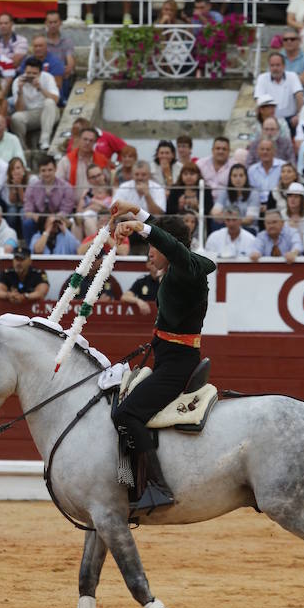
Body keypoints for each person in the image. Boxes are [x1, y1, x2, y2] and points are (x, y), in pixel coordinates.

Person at [110, 199, 216, 511]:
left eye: (152, 245)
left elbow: (171, 243)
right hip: (169, 359)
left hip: (177, 367)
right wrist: (136, 212)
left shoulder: (186, 271)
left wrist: (140, 226)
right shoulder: (179, 266)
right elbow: (169, 236)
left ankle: (156, 486)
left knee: (125, 414)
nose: (149, 251)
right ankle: (129, 482)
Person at [10, 57, 60, 151]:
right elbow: (19, 109)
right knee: (16, 118)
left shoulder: (47, 77)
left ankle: (44, 141)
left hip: (49, 112)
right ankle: (22, 147)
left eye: (34, 74)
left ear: (40, 73)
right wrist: (20, 91)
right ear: (25, 71)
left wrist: (40, 88)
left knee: (49, 102)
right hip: (30, 114)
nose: (31, 76)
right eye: (28, 73)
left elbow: (56, 100)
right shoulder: (17, 81)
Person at [56, 124, 110, 203]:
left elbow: (108, 183)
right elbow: (57, 185)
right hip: (71, 206)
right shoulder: (66, 161)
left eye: (91, 140)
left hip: (97, 204)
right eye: (85, 139)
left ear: (95, 142)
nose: (87, 143)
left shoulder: (102, 160)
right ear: (79, 140)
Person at [254, 53, 303, 131]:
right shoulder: (262, 78)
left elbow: (299, 96)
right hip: (269, 120)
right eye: (272, 65)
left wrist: (299, 115)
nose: (275, 68)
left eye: (278, 65)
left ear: (284, 66)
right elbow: (258, 101)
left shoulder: (292, 76)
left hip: (290, 120)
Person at [247, 139, 285, 207]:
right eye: (262, 149)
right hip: (257, 205)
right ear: (258, 151)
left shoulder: (283, 166)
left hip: (277, 204)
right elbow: (251, 192)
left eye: (268, 149)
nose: (265, 152)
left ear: (274, 151)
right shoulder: (252, 170)